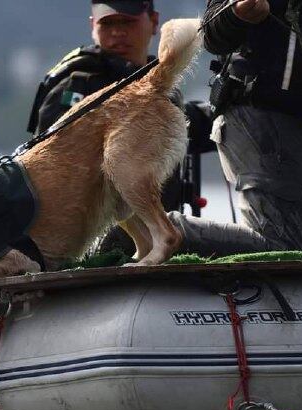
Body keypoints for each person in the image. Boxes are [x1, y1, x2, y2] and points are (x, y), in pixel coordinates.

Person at [167, 0, 302, 259]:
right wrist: (238, 12)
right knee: (288, 247)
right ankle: (157, 229)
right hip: (263, 120)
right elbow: (211, 33)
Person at [27, 0, 185, 254]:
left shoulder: (164, 85)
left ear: (154, 21)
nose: (118, 32)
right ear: (93, 26)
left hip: (156, 220)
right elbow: (46, 170)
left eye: (127, 22)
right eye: (108, 23)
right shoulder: (75, 84)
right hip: (100, 233)